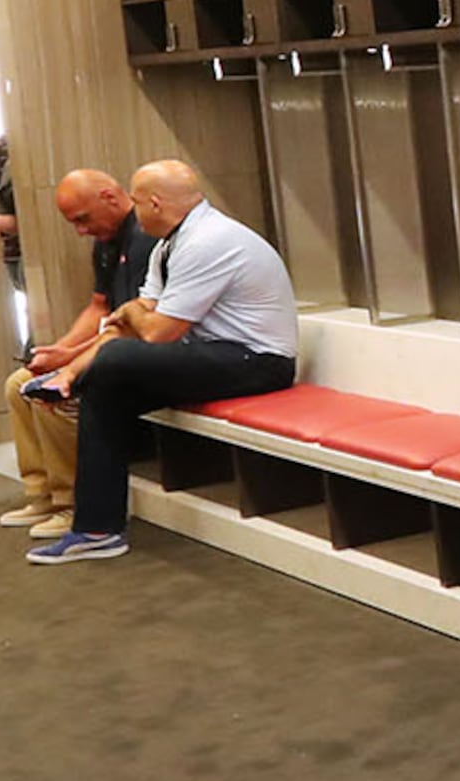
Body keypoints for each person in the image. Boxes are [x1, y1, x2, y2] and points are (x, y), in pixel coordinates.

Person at [25, 160, 301, 566]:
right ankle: (97, 530)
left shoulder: (208, 241)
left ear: (154, 204)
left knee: (116, 357)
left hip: (259, 362)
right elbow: (133, 322)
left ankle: (95, 521)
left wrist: (132, 314)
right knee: (106, 389)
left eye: (136, 202)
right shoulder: (169, 245)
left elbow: (156, 332)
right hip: (211, 354)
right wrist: (68, 372)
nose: (133, 211)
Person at [0, 169, 155, 537]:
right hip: (115, 343)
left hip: (143, 349)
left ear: (110, 198)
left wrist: (69, 361)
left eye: (83, 219)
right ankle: (44, 493)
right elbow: (100, 307)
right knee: (19, 384)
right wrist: (62, 349)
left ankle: (75, 503)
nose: (81, 231)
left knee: (53, 393)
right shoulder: (105, 242)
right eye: (74, 224)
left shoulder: (145, 239)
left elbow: (136, 324)